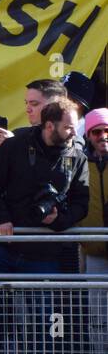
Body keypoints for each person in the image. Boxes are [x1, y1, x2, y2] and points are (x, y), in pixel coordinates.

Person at [0, 97, 88, 269]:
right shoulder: (15, 145)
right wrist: (1, 218)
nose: (74, 133)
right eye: (68, 128)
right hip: (5, 245)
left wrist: (58, 219)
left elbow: (81, 203)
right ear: (50, 126)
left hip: (47, 252)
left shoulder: (78, 158)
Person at [82, 108, 108, 275]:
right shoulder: (80, 163)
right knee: (97, 301)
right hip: (94, 248)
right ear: (88, 135)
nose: (103, 135)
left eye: (107, 130)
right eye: (97, 131)